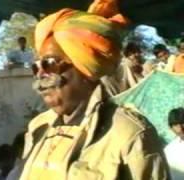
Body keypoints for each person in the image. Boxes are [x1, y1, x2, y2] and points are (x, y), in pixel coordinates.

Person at [18, 5, 170, 180]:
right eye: (35, 67)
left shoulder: (130, 134)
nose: (40, 74)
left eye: (49, 63)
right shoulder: (37, 128)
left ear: (86, 69)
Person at [164, 108, 184, 180]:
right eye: (175, 124)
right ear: (170, 128)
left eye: (182, 122)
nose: (180, 128)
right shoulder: (168, 151)